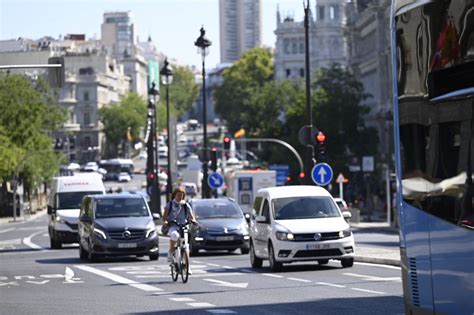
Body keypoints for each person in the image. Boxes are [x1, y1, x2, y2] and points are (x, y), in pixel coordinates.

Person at [162, 188, 197, 266]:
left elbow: (191, 216)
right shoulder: (170, 204)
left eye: (181, 195)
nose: (179, 197)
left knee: (186, 246)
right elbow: (164, 217)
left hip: (183, 226)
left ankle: (187, 266)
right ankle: (171, 251)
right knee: (174, 235)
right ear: (174, 195)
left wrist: (193, 220)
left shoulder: (185, 205)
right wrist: (165, 222)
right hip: (173, 225)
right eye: (178, 195)